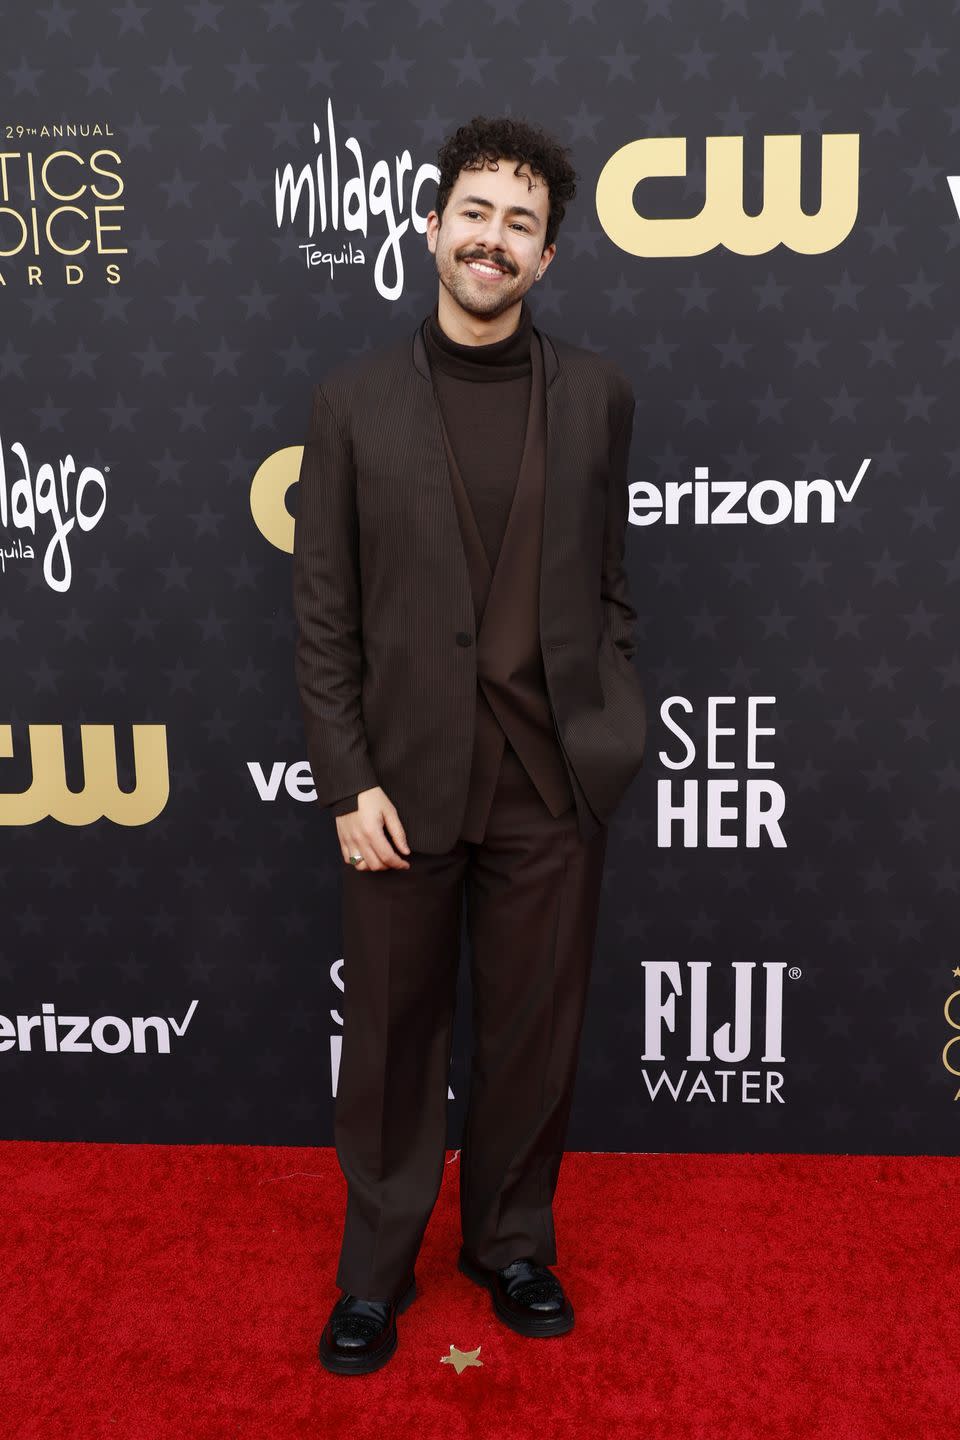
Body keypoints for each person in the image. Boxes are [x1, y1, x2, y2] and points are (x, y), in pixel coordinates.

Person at [292, 113, 647, 1376]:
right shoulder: (349, 404)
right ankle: (373, 1274)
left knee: (535, 1033)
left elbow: (610, 583)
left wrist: (610, 715)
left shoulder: (599, 396)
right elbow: (323, 610)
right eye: (477, 214)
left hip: (553, 781)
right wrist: (347, 778)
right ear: (433, 225)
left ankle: (509, 1243)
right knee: (390, 1039)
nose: (494, 241)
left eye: (523, 225)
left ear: (548, 258)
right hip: (400, 782)